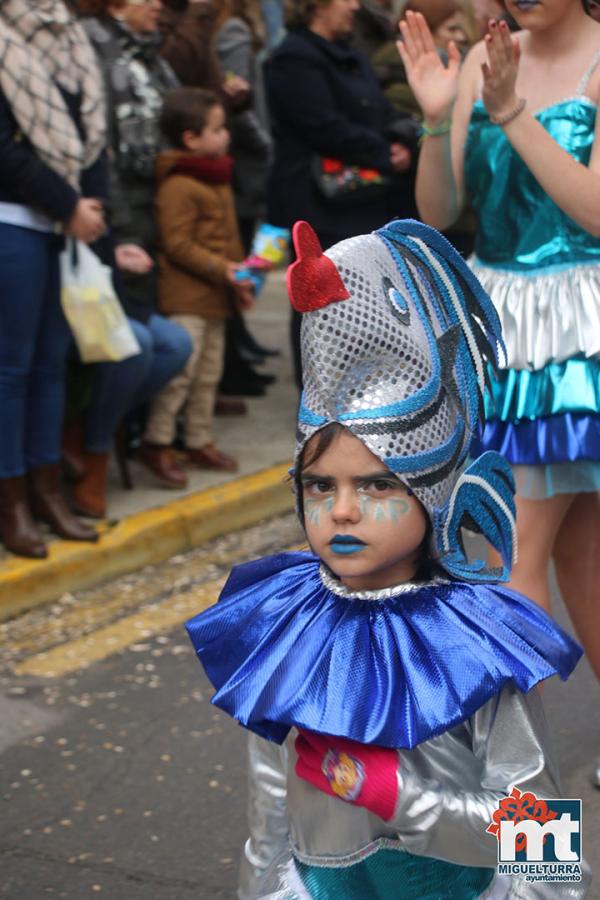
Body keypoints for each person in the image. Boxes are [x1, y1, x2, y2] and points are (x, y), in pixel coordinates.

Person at [185, 219, 587, 897]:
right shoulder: (284, 627)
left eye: (376, 485)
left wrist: (398, 797)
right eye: (320, 486)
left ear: (431, 492)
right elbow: (271, 815)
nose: (341, 510)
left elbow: (544, 845)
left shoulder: (476, 645)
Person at [397, 3, 600, 681]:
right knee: (578, 549)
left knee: (518, 552)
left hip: (576, 331)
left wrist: (510, 111)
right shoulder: (485, 57)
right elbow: (441, 211)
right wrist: (435, 115)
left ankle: (521, 770)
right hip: (498, 322)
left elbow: (597, 212)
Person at [265, 0, 419, 386]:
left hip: (364, 199)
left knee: (365, 300)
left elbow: (383, 110)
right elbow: (319, 125)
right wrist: (385, 153)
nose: (354, 6)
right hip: (319, 204)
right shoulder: (293, 57)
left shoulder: (351, 54)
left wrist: (401, 140)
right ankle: (321, 403)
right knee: (322, 304)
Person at [0, 0, 106, 557]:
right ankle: (12, 502)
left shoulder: (70, 36)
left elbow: (94, 132)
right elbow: (4, 153)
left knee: (51, 367)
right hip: (12, 221)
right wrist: (69, 204)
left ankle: (47, 494)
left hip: (68, 227)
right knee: (11, 371)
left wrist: (93, 203)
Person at [81, 0, 194, 495]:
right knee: (131, 344)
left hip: (158, 219)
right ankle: (93, 447)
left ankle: (129, 439)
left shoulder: (152, 55)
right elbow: (98, 153)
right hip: (107, 226)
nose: (157, 4)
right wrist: (119, 234)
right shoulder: (93, 46)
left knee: (170, 344)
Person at [142, 87, 254, 472]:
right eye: (218, 128)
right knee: (181, 375)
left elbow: (229, 237)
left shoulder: (217, 177)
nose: (226, 135)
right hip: (186, 296)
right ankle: (157, 440)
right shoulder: (178, 184)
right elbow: (175, 243)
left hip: (217, 295)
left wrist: (242, 276)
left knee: (208, 374)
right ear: (190, 138)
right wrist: (220, 268)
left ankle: (198, 439)